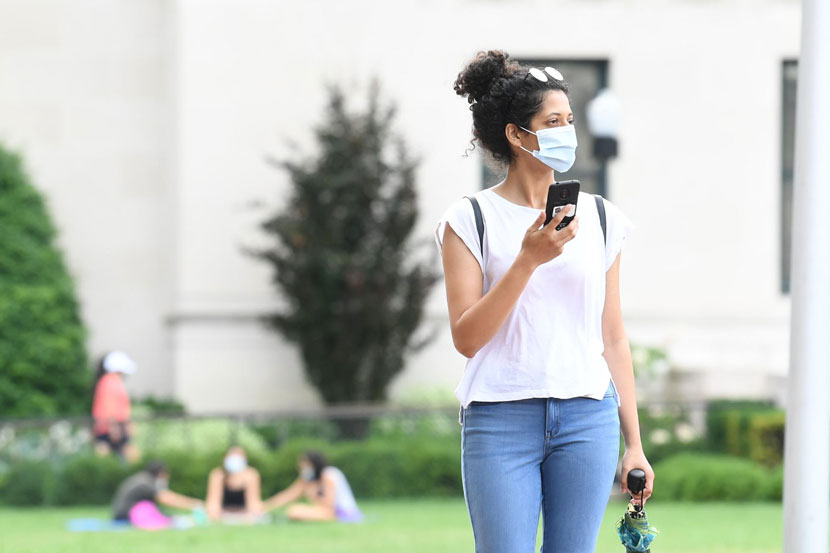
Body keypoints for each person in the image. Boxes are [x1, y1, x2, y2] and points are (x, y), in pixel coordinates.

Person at [436, 50, 655, 553]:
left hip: (587, 417)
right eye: (552, 122)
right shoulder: (470, 219)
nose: (567, 132)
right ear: (517, 134)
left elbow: (613, 338)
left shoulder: (600, 218)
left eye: (569, 121)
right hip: (500, 417)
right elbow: (467, 339)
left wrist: (635, 444)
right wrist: (527, 260)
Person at [264, 450, 361, 522]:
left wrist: (312, 494)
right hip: (327, 512)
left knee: (295, 511)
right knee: (294, 510)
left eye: (305, 465)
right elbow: (288, 495)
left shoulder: (329, 474)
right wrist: (264, 506)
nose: (302, 468)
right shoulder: (308, 479)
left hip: (342, 513)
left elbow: (329, 505)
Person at [111, 460, 202, 529]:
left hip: (122, 513)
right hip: (125, 515)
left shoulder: (143, 478)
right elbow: (166, 498)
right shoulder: (146, 482)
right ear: (161, 473)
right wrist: (194, 504)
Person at [91, 351, 139, 463]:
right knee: (121, 455)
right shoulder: (109, 381)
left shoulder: (110, 381)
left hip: (112, 426)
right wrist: (114, 427)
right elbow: (108, 406)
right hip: (111, 427)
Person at [205, 445, 263, 521]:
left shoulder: (251, 475)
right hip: (222, 514)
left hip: (245, 514)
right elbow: (212, 505)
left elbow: (254, 505)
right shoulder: (218, 475)